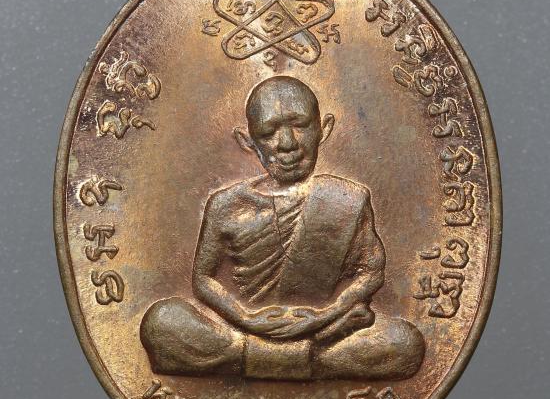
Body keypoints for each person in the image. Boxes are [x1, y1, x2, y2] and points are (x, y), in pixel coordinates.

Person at [141, 76, 425, 380]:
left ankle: (250, 357)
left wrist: (324, 315)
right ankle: (309, 360)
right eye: (268, 133)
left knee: (404, 343)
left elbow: (370, 272)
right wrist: (247, 318)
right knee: (162, 321)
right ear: (248, 141)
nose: (288, 144)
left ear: (324, 129)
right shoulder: (226, 204)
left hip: (321, 327)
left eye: (300, 125)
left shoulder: (348, 199)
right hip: (246, 328)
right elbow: (203, 279)